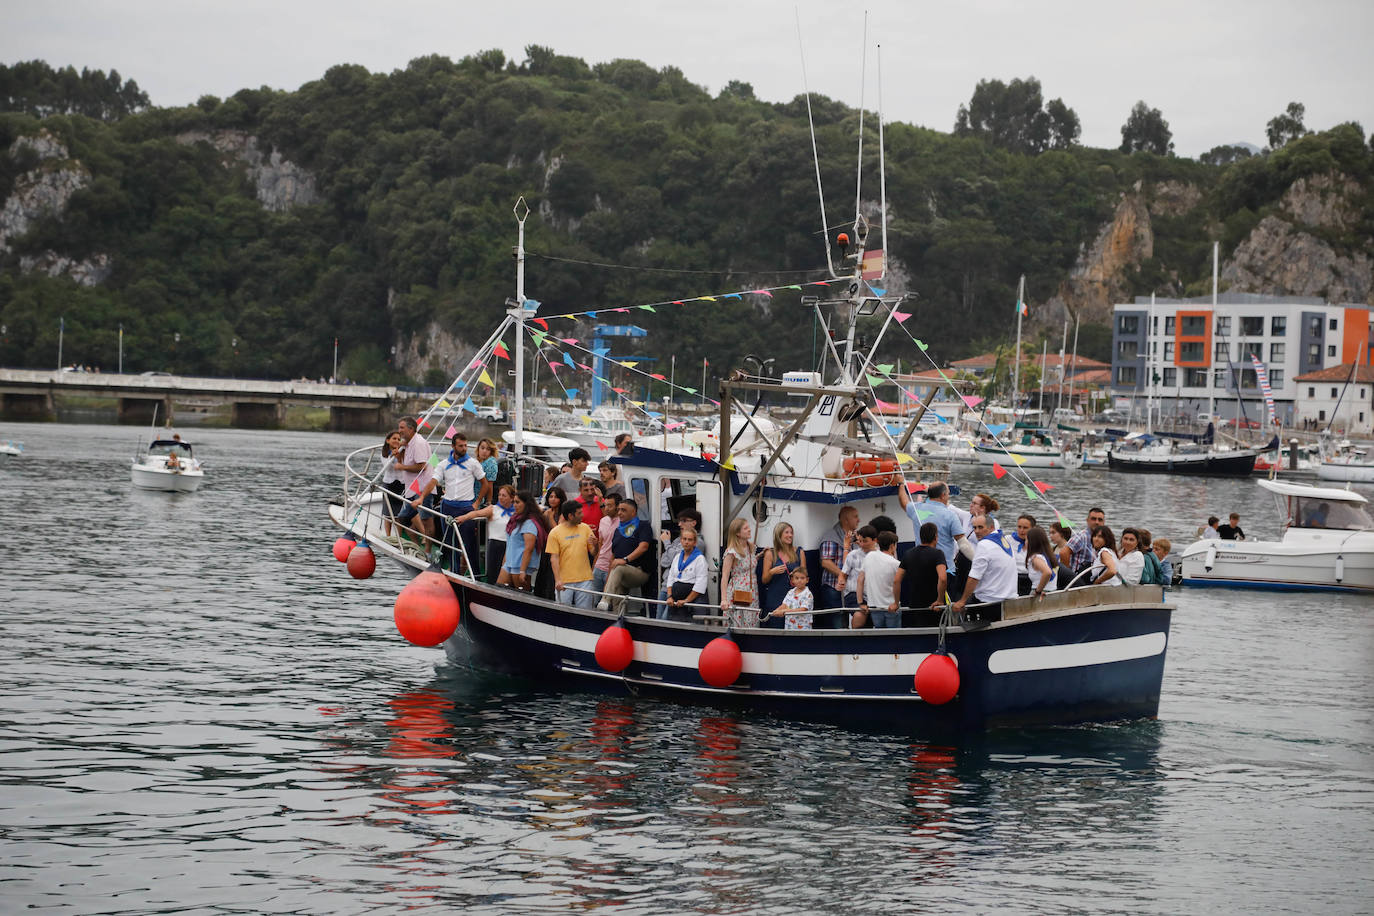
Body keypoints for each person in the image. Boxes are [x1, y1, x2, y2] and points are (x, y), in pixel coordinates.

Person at [417, 432, 487, 573]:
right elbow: (433, 482)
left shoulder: (473, 464)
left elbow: (485, 484)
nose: (464, 448)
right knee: (449, 542)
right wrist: (422, 497)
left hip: (466, 506)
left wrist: (477, 502)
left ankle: (475, 573)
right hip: (448, 506)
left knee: (470, 543)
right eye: (461, 446)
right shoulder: (443, 464)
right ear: (453, 446)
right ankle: (454, 570)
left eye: (465, 445)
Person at [948, 515, 1018, 621]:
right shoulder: (1004, 540)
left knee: (958, 607)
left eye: (980, 527)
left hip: (990, 602)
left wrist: (962, 601)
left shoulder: (984, 545)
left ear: (991, 527)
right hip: (1009, 598)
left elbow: (974, 577)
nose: (976, 531)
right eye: (974, 528)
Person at [897, 481, 969, 576]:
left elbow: (904, 502)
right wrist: (975, 560)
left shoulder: (916, 509)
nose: (948, 497)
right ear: (943, 495)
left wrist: (901, 484)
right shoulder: (950, 515)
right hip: (945, 570)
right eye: (948, 494)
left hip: (921, 568)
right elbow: (963, 544)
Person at [452, 484, 516, 584]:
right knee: (494, 574)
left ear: (512, 498)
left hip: (511, 545)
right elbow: (476, 513)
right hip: (495, 545)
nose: (500, 497)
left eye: (504, 495)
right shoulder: (493, 509)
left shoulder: (517, 511)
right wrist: (463, 518)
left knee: (509, 575)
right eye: (499, 495)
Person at [604, 498, 655, 614]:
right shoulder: (618, 531)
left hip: (639, 571)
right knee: (618, 601)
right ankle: (618, 617)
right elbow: (613, 558)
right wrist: (608, 582)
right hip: (620, 572)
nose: (619, 513)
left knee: (619, 567)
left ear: (633, 512)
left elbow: (643, 547)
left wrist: (625, 560)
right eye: (618, 510)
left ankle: (605, 600)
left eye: (623, 510)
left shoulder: (643, 526)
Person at [393, 417, 436, 547]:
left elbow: (422, 467)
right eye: (399, 427)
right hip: (412, 488)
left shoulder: (418, 443)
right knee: (402, 518)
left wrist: (402, 467)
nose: (399, 431)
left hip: (423, 488)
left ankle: (428, 550)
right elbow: (406, 461)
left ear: (411, 429)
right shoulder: (408, 443)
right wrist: (399, 455)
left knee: (426, 520)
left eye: (402, 428)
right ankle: (415, 545)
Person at [547, 500, 598, 609]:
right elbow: (554, 558)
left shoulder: (585, 528)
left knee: (585, 612)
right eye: (579, 513)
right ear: (570, 516)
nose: (582, 515)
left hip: (585, 579)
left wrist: (596, 545)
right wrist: (558, 580)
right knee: (563, 612)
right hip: (564, 582)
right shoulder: (555, 533)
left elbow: (593, 552)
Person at [894, 522, 947, 624]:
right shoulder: (938, 554)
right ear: (935, 537)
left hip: (915, 605)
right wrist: (940, 600)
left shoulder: (908, 554)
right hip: (934, 605)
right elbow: (943, 578)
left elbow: (896, 580)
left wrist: (896, 603)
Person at [499, 490, 545, 591]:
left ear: (526, 504)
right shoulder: (515, 520)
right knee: (500, 589)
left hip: (520, 566)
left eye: (517, 502)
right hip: (509, 563)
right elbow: (510, 544)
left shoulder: (530, 523)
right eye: (514, 502)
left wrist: (522, 571)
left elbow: (529, 548)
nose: (514, 505)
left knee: (521, 593)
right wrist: (504, 563)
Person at [818, 506, 859, 613]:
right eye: (855, 517)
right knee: (837, 620)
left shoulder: (855, 537)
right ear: (846, 520)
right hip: (833, 588)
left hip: (850, 589)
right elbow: (826, 562)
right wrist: (843, 575)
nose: (859, 520)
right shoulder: (831, 537)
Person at [858, 531, 903, 628]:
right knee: (894, 636)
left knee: (880, 635)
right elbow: (897, 582)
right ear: (892, 546)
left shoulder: (869, 556)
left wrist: (861, 603)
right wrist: (896, 603)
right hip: (891, 607)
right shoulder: (896, 564)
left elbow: (860, 580)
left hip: (874, 607)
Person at [719, 518, 758, 630]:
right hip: (738, 591)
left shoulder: (751, 547)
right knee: (738, 624)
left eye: (748, 527)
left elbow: (748, 565)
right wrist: (724, 599)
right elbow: (725, 576)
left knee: (751, 623)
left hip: (752, 591)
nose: (749, 530)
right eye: (745, 528)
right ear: (737, 533)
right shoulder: (731, 552)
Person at [662, 528, 708, 621]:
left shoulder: (700, 559)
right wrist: (669, 596)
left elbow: (700, 584)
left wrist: (686, 600)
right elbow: (671, 578)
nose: (686, 542)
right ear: (681, 541)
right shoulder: (677, 557)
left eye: (690, 540)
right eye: (684, 539)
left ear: (695, 542)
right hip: (676, 599)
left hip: (693, 600)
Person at [658, 509, 703, 604]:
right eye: (679, 521)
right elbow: (664, 562)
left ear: (694, 523)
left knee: (668, 614)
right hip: (666, 585)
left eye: (684, 521)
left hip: (678, 589)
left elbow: (676, 559)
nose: (679, 524)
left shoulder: (698, 542)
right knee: (658, 613)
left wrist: (667, 543)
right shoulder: (678, 540)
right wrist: (670, 550)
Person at [761, 522, 802, 620]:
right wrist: (772, 572)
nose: (790, 535)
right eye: (787, 532)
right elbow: (764, 580)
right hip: (775, 597)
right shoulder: (770, 553)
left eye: (791, 532)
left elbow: (805, 575)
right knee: (775, 624)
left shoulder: (799, 552)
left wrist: (796, 575)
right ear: (779, 535)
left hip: (794, 597)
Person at [533, 486, 566, 600]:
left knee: (552, 573)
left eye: (556, 497)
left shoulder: (563, 514)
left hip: (558, 548)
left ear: (561, 499)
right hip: (546, 546)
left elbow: (558, 531)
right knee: (543, 571)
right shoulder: (546, 512)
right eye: (551, 496)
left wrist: (551, 518)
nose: (553, 499)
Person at [1065, 507, 1106, 587]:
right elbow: (1064, 552)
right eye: (1093, 519)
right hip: (1077, 579)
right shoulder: (1082, 536)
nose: (1097, 522)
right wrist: (1068, 576)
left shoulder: (1104, 539)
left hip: (1091, 579)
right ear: (1087, 520)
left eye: (1100, 520)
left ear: (1103, 522)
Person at [840, 524, 877, 612]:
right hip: (853, 593)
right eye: (860, 541)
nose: (862, 544)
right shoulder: (853, 554)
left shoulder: (879, 555)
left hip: (873, 595)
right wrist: (841, 581)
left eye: (865, 541)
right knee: (860, 615)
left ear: (875, 540)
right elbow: (844, 571)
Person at [591, 493, 620, 596]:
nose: (606, 508)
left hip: (613, 569)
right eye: (605, 505)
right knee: (594, 600)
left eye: (610, 505)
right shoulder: (603, 521)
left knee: (608, 601)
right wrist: (594, 566)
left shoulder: (623, 523)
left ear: (618, 506)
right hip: (598, 567)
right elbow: (601, 545)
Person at [380, 431, 406, 541]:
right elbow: (387, 467)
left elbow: (403, 465)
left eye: (399, 439)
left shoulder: (403, 451)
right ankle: (388, 536)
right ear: (388, 440)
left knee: (399, 514)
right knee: (388, 513)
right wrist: (392, 455)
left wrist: (399, 456)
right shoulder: (384, 454)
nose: (396, 441)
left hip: (401, 483)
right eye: (394, 438)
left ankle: (399, 537)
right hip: (389, 483)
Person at [1026, 526, 1059, 598]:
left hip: (1041, 594)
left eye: (1027, 539)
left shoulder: (1036, 558)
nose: (1025, 542)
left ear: (1032, 542)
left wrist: (1038, 591)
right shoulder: (1050, 556)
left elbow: (1047, 572)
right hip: (1053, 592)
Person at [1011, 513, 1036, 596]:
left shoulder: (1037, 544)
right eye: (1019, 527)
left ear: (1033, 529)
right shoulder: (1009, 540)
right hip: (1013, 577)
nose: (1021, 530)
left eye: (1025, 528)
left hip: (1029, 579)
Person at [473, 438, 499, 507]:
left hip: (477, 499)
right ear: (478, 449)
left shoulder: (491, 463)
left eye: (488, 449)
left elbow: (490, 485)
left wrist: (488, 502)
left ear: (491, 451)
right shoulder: (478, 461)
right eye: (482, 448)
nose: (484, 451)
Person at [1049, 521, 1074, 590]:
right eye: (1050, 533)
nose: (1050, 536)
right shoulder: (1053, 549)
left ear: (1062, 534)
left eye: (1053, 533)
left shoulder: (1069, 549)